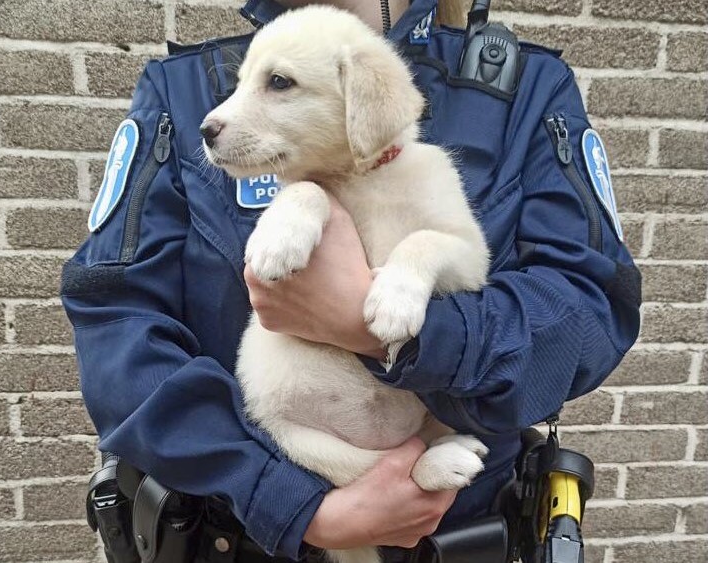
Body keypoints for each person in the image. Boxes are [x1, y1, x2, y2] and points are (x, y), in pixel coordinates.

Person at [62, 0, 641, 560]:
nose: (216, 118)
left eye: (278, 84)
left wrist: (380, 329)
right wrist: (292, 504)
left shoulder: (528, 89)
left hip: (460, 525)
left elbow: (587, 316)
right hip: (238, 532)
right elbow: (118, 329)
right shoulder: (180, 88)